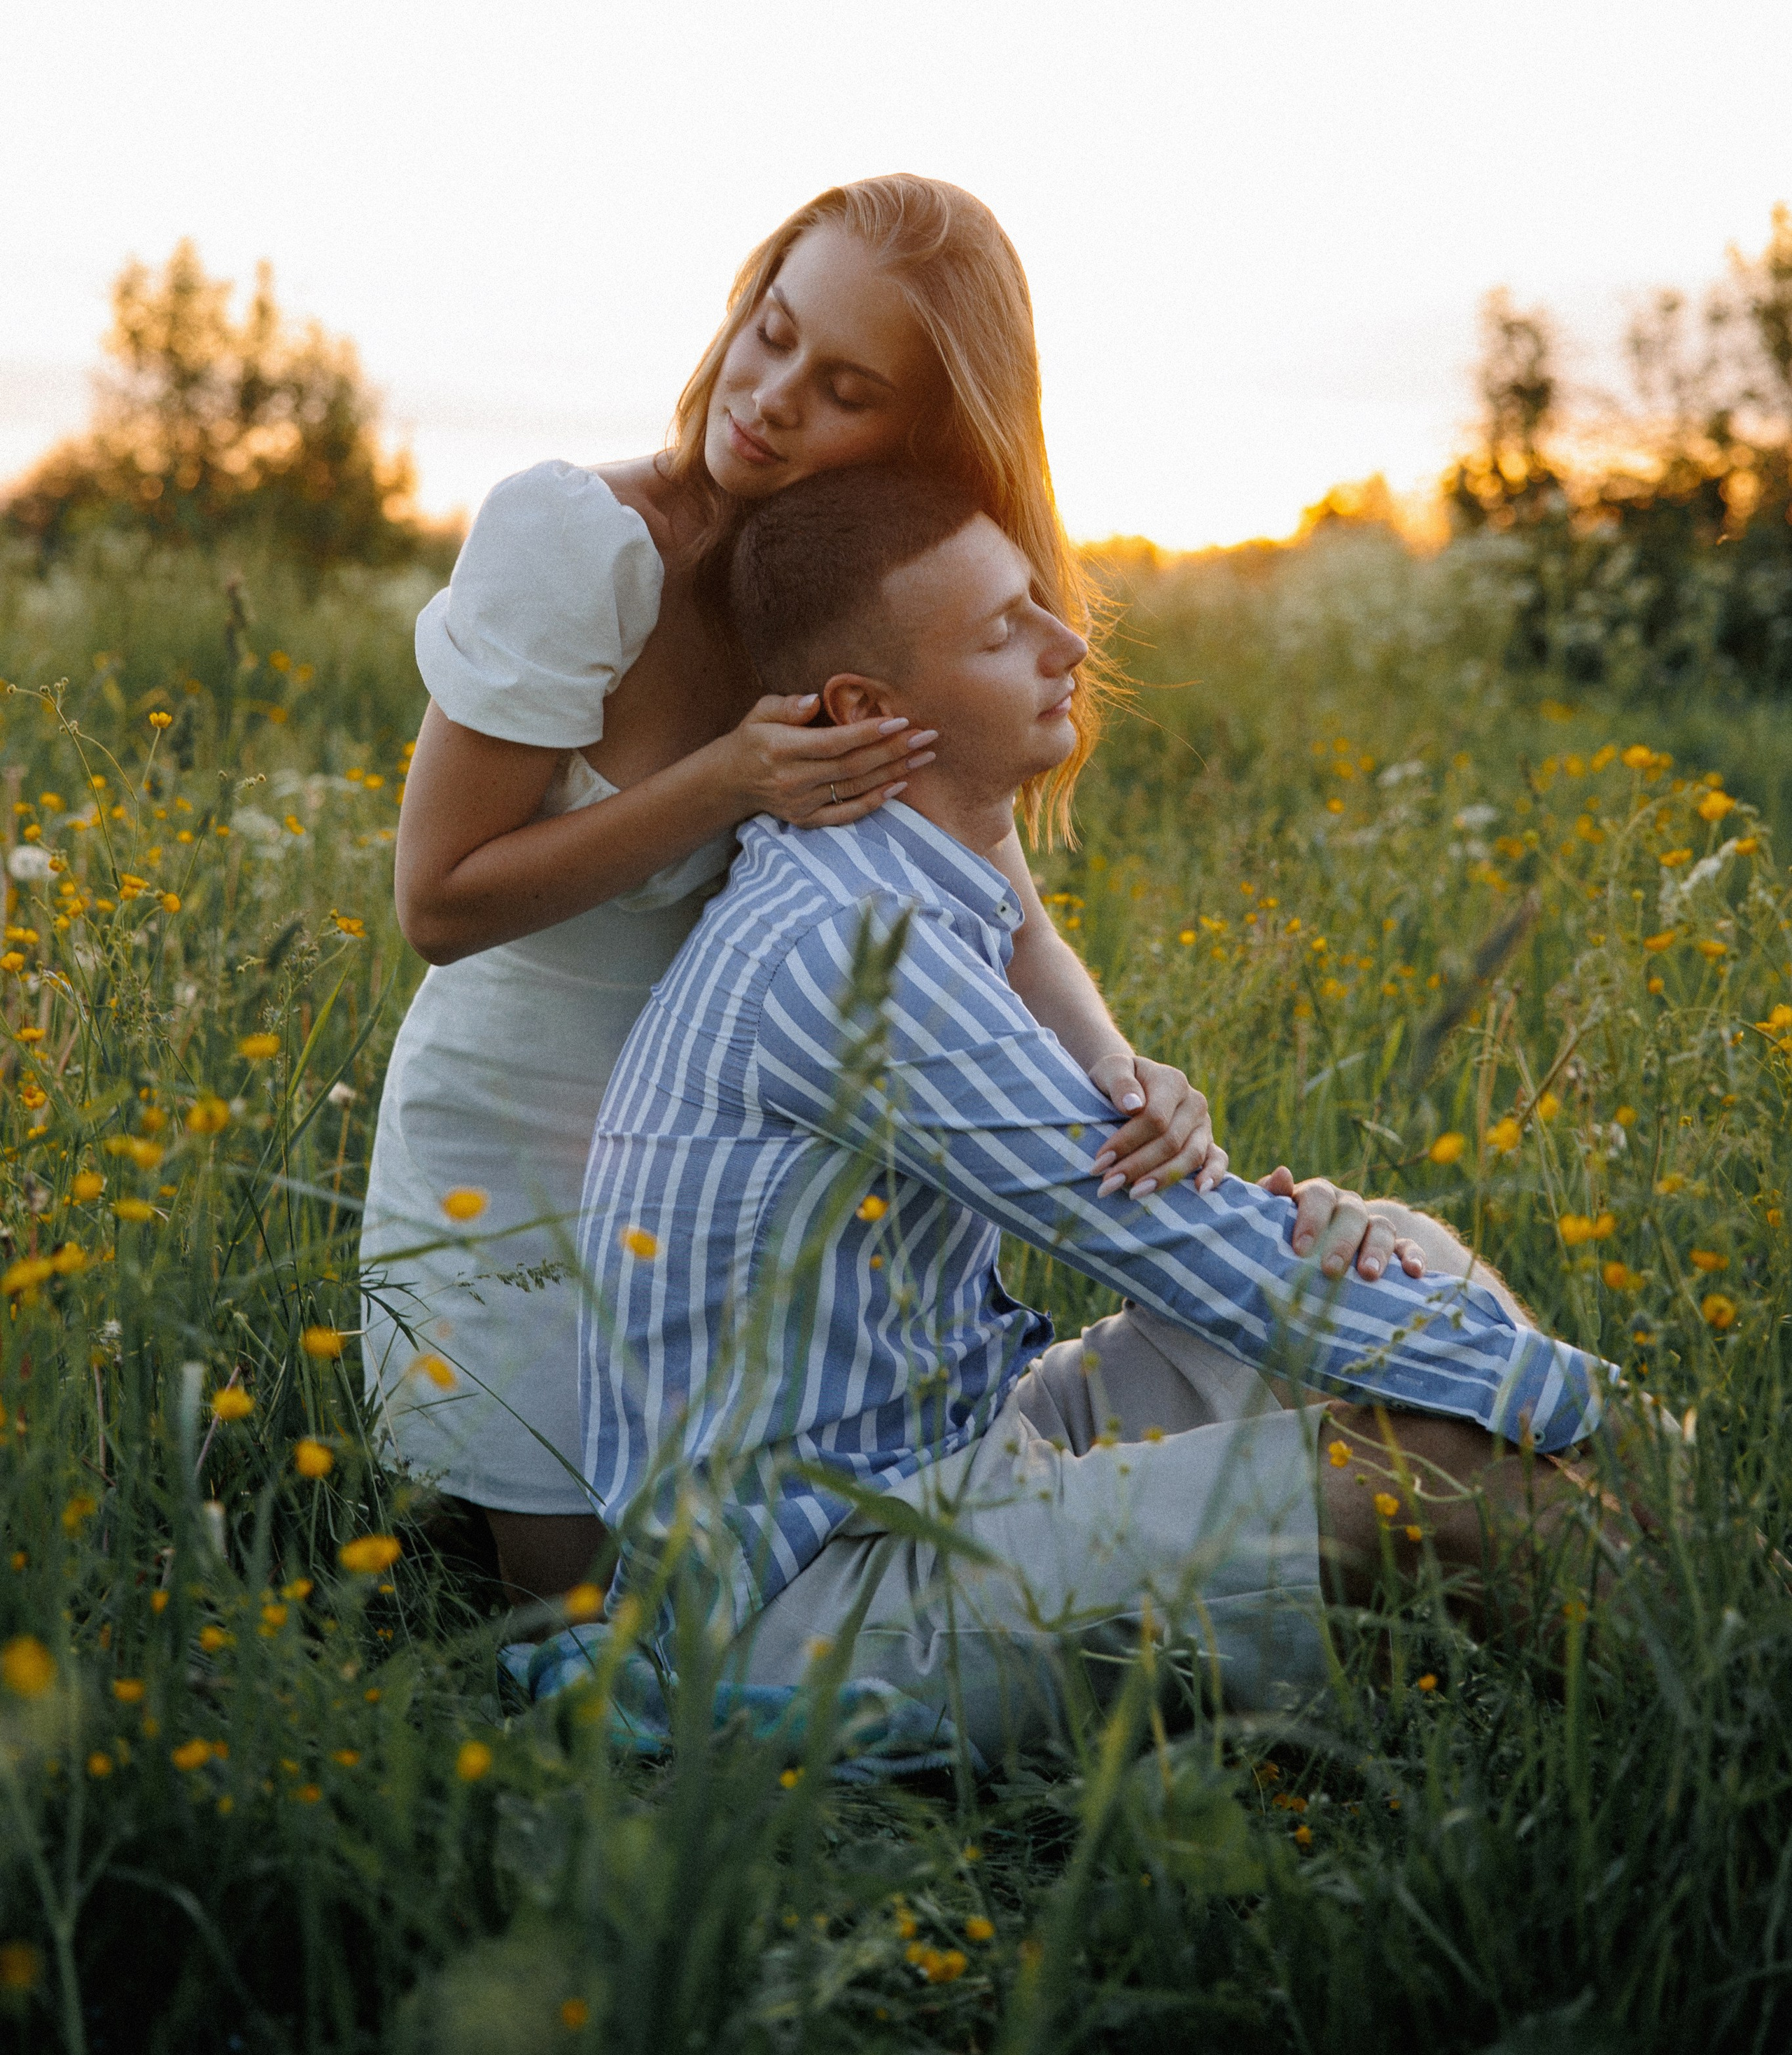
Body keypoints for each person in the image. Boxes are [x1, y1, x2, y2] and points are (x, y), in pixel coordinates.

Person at [363, 175, 1410, 1604]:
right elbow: (439, 901)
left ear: (917, 435)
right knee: (601, 1632)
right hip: (518, 1162)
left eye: (843, 388)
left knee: (776, 1575)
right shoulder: (575, 540)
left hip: (738, 1186)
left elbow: (1007, 909)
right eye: (771, 330)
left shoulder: (860, 603)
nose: (771, 395)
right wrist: (726, 781)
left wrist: (1125, 1086)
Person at [575, 468, 1623, 1747]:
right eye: (1004, 629)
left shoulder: (906, 899)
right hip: (821, 1594)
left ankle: (1651, 1590)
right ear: (867, 709)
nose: (1069, 643)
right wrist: (1581, 1404)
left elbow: (1180, 1215)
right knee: (1426, 1468)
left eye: (1039, 605)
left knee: (1389, 1250)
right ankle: (1726, 1699)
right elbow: (1167, 1246)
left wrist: (1327, 1256)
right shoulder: (853, 953)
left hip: (977, 1438)